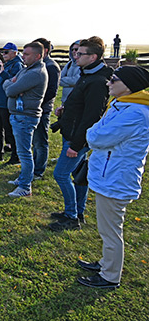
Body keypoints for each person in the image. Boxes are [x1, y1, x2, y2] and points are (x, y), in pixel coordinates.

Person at [77, 65, 149, 289]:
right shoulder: (122, 105)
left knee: (110, 231)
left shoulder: (136, 113)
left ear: (129, 86)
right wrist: (93, 133)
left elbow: (98, 137)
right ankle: (106, 264)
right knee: (107, 228)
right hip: (109, 174)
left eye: (114, 80)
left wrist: (91, 134)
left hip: (116, 178)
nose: (108, 83)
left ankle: (110, 276)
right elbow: (98, 131)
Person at [49, 36, 112, 231]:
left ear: (93, 57)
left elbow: (92, 117)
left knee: (60, 174)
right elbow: (81, 104)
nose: (75, 56)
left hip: (78, 138)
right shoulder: (88, 74)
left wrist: (76, 146)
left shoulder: (97, 81)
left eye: (80, 53)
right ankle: (79, 210)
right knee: (78, 174)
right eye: (75, 52)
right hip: (74, 132)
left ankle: (71, 216)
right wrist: (65, 109)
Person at [3, 42, 47, 197]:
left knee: (24, 153)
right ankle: (23, 178)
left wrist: (12, 86)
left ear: (38, 56)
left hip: (25, 117)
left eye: (27, 54)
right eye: (23, 53)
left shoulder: (35, 73)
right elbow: (9, 84)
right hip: (20, 116)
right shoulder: (27, 70)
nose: (23, 56)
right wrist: (11, 85)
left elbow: (10, 90)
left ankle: (25, 186)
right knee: (24, 151)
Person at [0, 43, 23, 163]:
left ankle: (15, 155)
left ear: (15, 52)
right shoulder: (8, 64)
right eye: (3, 52)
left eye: (6, 52)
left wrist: (2, 72)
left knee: (9, 131)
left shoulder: (17, 65)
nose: (4, 54)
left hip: (6, 103)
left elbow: (14, 82)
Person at [31, 38, 60, 179]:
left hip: (43, 109)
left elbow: (52, 91)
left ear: (45, 51)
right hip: (35, 109)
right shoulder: (40, 65)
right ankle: (34, 166)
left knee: (41, 142)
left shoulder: (51, 66)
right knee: (35, 141)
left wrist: (37, 103)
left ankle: (38, 171)